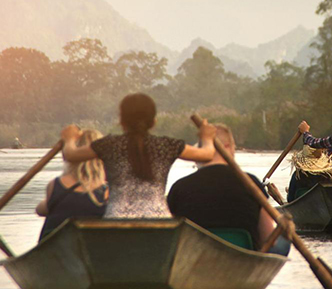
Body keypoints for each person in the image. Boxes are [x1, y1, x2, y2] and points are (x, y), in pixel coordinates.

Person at [61, 93, 216, 218]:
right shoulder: (167, 145)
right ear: (154, 121)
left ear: (121, 121)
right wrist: (207, 137)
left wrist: (69, 138)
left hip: (116, 221)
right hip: (159, 221)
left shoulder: (109, 145)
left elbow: (70, 154)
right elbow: (207, 154)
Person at [167, 124, 289, 255]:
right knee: (283, 240)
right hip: (244, 259)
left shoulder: (179, 187)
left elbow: (170, 239)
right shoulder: (251, 183)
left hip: (195, 259)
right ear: (227, 147)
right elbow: (268, 237)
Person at [36, 129, 108, 240]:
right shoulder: (108, 192)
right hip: (91, 245)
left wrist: (43, 205)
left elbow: (40, 210)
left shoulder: (55, 185)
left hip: (55, 249)